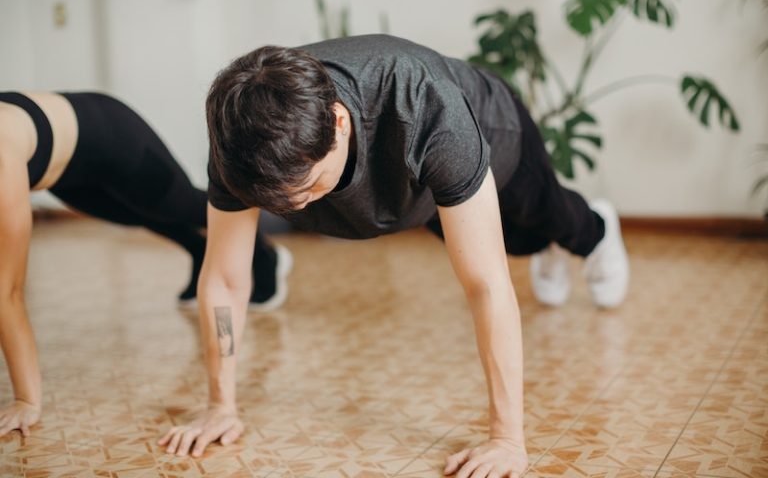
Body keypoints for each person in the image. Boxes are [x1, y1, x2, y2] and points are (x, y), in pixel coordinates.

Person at [158, 35, 629, 477]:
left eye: (305, 188)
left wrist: (507, 439)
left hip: (491, 129)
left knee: (547, 219)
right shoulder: (246, 145)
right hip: (407, 193)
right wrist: (220, 404)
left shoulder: (427, 108)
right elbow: (224, 279)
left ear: (339, 122)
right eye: (275, 202)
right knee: (512, 244)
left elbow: (486, 286)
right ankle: (543, 244)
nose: (294, 208)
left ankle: (597, 231)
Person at [0, 91, 292, 438]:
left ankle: (263, 256)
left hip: (108, 133)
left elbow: (9, 291)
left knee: (182, 203)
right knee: (136, 214)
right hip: (65, 168)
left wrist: (25, 400)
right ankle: (200, 252)